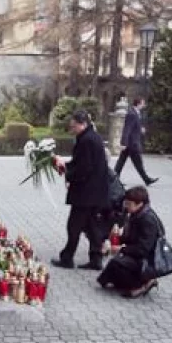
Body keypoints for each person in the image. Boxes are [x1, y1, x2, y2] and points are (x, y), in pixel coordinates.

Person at [52, 110, 110, 270]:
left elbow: (84, 167)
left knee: (74, 225)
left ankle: (67, 258)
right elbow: (82, 163)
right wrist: (68, 166)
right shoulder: (92, 136)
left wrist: (68, 172)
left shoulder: (86, 140)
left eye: (74, 126)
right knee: (91, 226)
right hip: (95, 190)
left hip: (86, 192)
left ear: (82, 124)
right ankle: (96, 258)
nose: (72, 130)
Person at [97, 186, 163, 297]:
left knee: (117, 264)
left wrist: (120, 248)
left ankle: (142, 284)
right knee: (114, 265)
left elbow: (143, 248)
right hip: (138, 252)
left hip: (147, 259)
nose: (126, 207)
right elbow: (132, 237)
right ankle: (123, 282)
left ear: (140, 203)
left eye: (129, 204)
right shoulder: (137, 214)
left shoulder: (148, 220)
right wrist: (114, 239)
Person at [113, 97, 158, 186]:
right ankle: (147, 179)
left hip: (130, 143)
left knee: (121, 163)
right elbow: (127, 129)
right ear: (138, 104)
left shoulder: (135, 113)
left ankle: (113, 180)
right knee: (137, 163)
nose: (144, 105)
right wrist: (124, 143)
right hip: (132, 144)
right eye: (142, 103)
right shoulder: (132, 114)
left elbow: (132, 127)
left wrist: (140, 129)